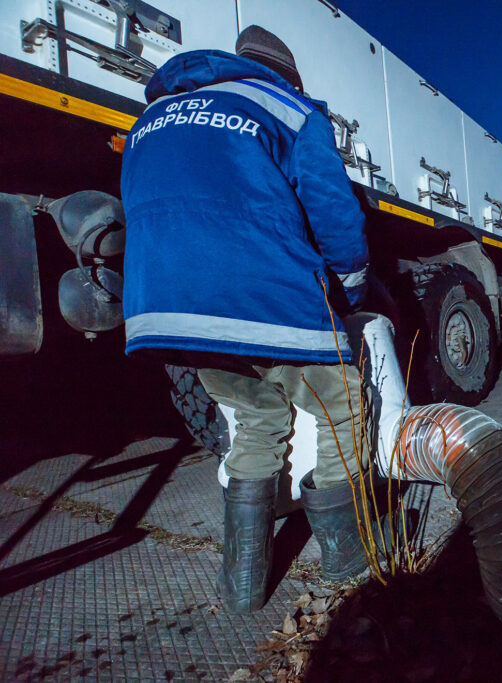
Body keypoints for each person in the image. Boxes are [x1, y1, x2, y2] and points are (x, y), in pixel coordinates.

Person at [120, 26, 373, 612]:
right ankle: (347, 559)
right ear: (288, 76)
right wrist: (353, 288)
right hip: (261, 293)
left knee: (256, 420)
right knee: (343, 407)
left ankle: (241, 583)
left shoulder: (151, 118)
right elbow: (334, 212)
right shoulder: (289, 108)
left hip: (172, 308)